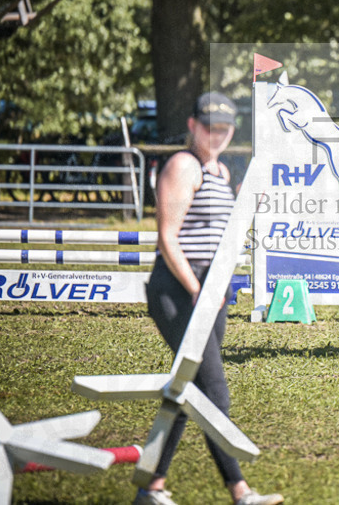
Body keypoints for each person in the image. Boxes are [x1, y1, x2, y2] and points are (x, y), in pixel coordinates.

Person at [138, 92, 283, 505]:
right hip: (179, 289)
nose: (217, 135)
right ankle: (241, 492)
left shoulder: (220, 170)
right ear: (192, 126)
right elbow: (168, 238)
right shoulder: (183, 165)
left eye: (224, 128)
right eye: (209, 127)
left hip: (210, 289)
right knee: (214, 393)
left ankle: (152, 486)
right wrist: (199, 290)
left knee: (188, 391)